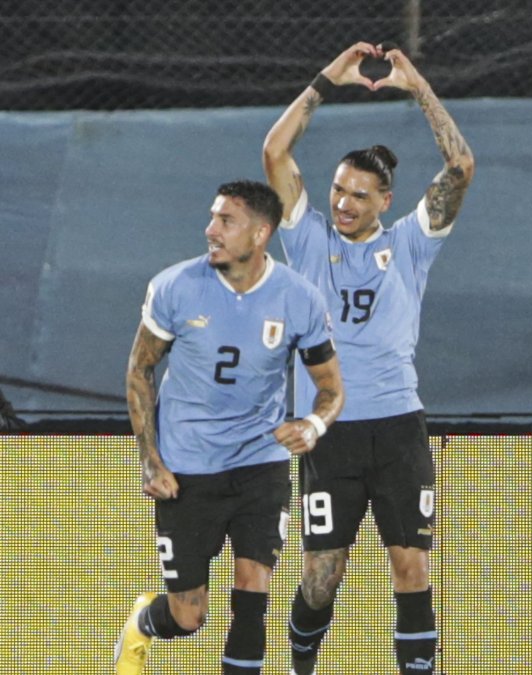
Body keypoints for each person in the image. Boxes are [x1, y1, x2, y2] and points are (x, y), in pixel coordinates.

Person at [262, 40, 474, 675]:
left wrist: (418, 89)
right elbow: (275, 152)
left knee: (411, 568)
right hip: (330, 433)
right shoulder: (307, 241)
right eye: (337, 190)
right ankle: (301, 661)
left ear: (385, 201)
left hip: (399, 427)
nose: (343, 203)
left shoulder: (411, 242)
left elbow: (460, 168)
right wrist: (329, 79)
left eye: (358, 195)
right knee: (323, 577)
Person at [115, 180, 344, 674]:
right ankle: (141, 624)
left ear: (261, 233)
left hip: (259, 463)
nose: (210, 230)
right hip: (187, 466)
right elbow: (140, 369)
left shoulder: (299, 298)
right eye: (213, 218)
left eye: (225, 221)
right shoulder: (175, 287)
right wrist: (150, 460)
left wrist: (313, 424)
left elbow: (331, 388)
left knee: (252, 589)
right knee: (188, 614)